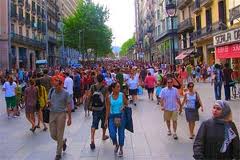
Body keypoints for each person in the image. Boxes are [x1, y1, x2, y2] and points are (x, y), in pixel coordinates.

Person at [48, 75, 72, 160]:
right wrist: (49, 103)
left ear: (61, 84)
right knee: (53, 134)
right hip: (52, 113)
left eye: (56, 83)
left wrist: (69, 118)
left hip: (61, 114)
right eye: (54, 83)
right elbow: (49, 101)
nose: (54, 85)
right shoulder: (51, 91)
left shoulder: (66, 93)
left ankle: (58, 153)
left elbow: (69, 105)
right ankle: (62, 142)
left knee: (59, 133)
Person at [105, 82, 128, 157]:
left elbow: (126, 103)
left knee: (121, 134)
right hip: (112, 117)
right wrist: (106, 120)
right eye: (117, 87)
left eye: (119, 87)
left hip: (121, 116)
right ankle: (116, 144)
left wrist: (123, 107)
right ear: (113, 88)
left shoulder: (122, 95)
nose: (119, 88)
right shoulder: (109, 97)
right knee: (112, 134)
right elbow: (107, 109)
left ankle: (121, 148)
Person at [89, 74, 109, 150]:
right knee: (104, 122)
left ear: (96, 79)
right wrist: (108, 109)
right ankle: (103, 136)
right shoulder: (105, 88)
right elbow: (107, 99)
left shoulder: (92, 87)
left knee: (94, 124)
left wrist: (89, 106)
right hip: (103, 108)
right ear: (103, 79)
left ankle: (92, 140)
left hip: (95, 108)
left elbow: (89, 96)